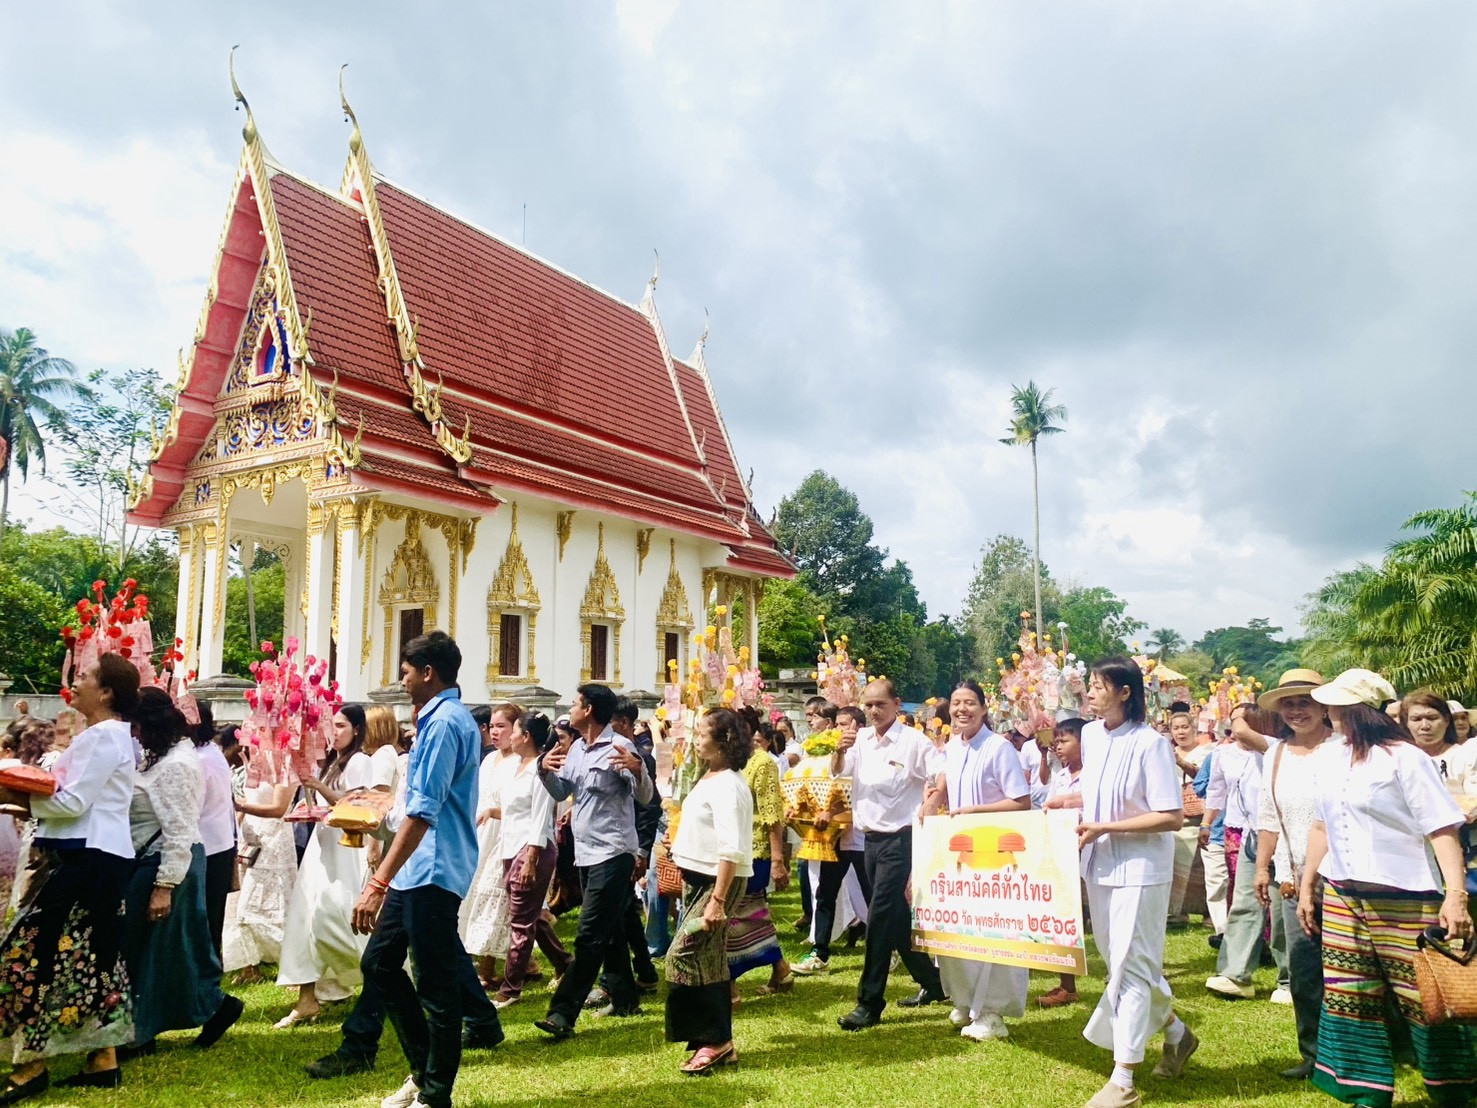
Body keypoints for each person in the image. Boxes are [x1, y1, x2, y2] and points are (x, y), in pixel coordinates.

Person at [1298, 668, 1477, 1107]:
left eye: (1339, 705)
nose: (1330, 712)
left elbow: (1441, 828)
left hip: (1406, 898)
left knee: (1426, 1003)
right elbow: (1321, 825)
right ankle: (1365, 1094)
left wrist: (1455, 896)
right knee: (1348, 997)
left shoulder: (1404, 757)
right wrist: (1308, 884)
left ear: (1361, 709)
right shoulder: (1330, 757)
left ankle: (1454, 1092)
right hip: (1343, 895)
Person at [353, 632, 498, 1108]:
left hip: (434, 866)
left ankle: (436, 1094)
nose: (402, 680)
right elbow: (411, 804)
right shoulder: (433, 720)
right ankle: (422, 1070)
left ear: (428, 673)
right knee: (378, 963)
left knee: (435, 987)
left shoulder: (444, 723)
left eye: (406, 672)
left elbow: (424, 813)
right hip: (416, 866)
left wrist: (377, 882)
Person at [0, 657, 139, 1100]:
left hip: (89, 858)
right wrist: (26, 800)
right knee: (93, 956)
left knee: (30, 951)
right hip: (96, 856)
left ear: (107, 693)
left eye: (84, 678)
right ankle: (103, 1059)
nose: (73, 684)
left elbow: (74, 802)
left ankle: (31, 1064)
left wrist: (17, 794)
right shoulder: (107, 736)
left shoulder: (104, 738)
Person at [1068, 657, 1196, 1108]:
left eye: (1099, 685)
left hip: (1142, 870)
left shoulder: (1151, 744)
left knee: (1133, 969)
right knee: (1121, 963)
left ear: (1125, 692)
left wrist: (1107, 827)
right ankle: (1178, 1035)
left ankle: (1123, 1081)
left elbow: (1171, 816)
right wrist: (1065, 806)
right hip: (1100, 866)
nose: (1090, 692)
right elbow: (1097, 793)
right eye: (1089, 685)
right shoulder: (1090, 735)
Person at [123, 688, 244, 1056]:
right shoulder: (160, 756)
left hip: (170, 863)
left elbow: (179, 828)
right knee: (165, 950)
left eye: (136, 724)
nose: (132, 732)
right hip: (159, 860)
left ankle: (211, 1007)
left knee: (168, 949)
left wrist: (165, 885)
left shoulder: (178, 763)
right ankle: (150, 1027)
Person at [534, 684, 654, 1039]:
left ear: (588, 710)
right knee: (612, 927)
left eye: (574, 704)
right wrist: (543, 770)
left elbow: (646, 797)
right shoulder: (577, 750)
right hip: (585, 852)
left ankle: (562, 1013)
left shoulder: (620, 746)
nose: (570, 709)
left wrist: (639, 770)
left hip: (613, 852)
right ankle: (626, 997)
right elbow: (562, 792)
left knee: (588, 935)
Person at [833, 679, 945, 1030]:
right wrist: (839, 749)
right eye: (867, 705)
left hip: (901, 840)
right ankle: (934, 981)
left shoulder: (913, 742)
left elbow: (941, 773)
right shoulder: (860, 740)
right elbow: (839, 771)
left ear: (897, 704)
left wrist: (932, 801)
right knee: (895, 920)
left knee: (879, 918)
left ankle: (869, 1002)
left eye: (880, 705)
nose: (873, 712)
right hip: (870, 841)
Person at [928, 680, 1031, 1041]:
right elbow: (942, 787)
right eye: (956, 703)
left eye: (970, 703)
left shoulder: (999, 748)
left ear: (984, 709)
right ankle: (965, 998)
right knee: (959, 929)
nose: (962, 710)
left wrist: (975, 811)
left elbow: (1021, 802)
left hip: (997, 856)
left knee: (996, 933)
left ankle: (994, 1013)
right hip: (961, 854)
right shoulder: (953, 747)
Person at [275, 703, 389, 1026]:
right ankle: (306, 997)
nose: (334, 732)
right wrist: (307, 797)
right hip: (322, 845)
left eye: (340, 726)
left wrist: (318, 787)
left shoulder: (359, 762)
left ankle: (378, 979)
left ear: (356, 729)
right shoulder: (334, 763)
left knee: (338, 916)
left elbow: (354, 806)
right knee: (305, 914)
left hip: (346, 848)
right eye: (332, 726)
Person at [1250, 669, 1333, 1082]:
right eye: (1289, 703)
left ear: (1324, 706)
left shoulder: (1342, 749)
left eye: (1305, 701)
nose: (1297, 710)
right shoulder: (1275, 754)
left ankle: (1366, 1053)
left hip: (1340, 877)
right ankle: (1313, 1055)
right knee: (1303, 970)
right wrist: (1263, 866)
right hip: (1291, 876)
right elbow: (1268, 816)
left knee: (1351, 972)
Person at [665, 708, 754, 1074]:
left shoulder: (729, 784)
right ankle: (719, 1043)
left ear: (723, 742)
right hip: (699, 878)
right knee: (710, 959)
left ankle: (711, 1039)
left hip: (719, 883)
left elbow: (731, 848)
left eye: (702, 733)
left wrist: (717, 901)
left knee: (681, 955)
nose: (697, 738)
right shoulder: (709, 776)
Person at [491, 711, 570, 1008]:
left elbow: (541, 816)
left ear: (526, 737)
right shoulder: (514, 766)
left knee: (521, 922)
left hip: (531, 847)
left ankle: (511, 987)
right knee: (530, 915)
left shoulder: (541, 769)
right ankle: (565, 963)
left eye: (513, 731)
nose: (508, 736)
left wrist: (531, 858)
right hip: (512, 847)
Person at [793, 705, 872, 978]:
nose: (840, 730)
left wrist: (835, 811)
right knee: (825, 893)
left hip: (864, 837)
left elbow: (860, 797)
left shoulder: (872, 752)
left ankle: (891, 948)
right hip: (836, 836)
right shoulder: (835, 753)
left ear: (859, 727)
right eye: (837, 724)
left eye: (845, 724)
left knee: (874, 895)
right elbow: (831, 782)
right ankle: (820, 952)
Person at [1201, 701, 1271, 999]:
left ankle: (1282, 968)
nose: (1232, 727)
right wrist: (1207, 824)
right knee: (1241, 896)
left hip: (1270, 830)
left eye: (1238, 721)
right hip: (1237, 829)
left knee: (1275, 899)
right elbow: (1217, 790)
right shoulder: (1222, 754)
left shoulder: (1271, 749)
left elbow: (1248, 734)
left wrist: (1241, 724)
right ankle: (1237, 968)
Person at [726, 712, 792, 1000]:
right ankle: (780, 967)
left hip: (756, 852)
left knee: (735, 916)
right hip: (734, 848)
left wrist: (778, 860)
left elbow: (772, 814)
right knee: (752, 915)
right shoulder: (731, 762)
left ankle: (728, 981)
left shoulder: (762, 762)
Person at [224, 746, 297, 983]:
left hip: (273, 841)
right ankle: (249, 967)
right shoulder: (257, 761)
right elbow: (249, 797)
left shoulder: (287, 764)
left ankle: (292, 969)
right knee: (240, 905)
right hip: (250, 841)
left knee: (270, 904)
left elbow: (278, 808)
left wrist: (240, 807)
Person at [460, 702, 519, 987]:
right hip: (481, 834)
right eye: (492, 727)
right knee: (474, 894)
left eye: (501, 727)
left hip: (505, 835)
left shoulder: (521, 762)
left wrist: (495, 814)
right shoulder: (488, 760)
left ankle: (487, 968)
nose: (494, 732)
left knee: (494, 897)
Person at [1039, 717, 1086, 1008]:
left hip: (1094, 852)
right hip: (1063, 854)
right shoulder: (1059, 776)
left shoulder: (1096, 773)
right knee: (1063, 917)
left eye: (1065, 741)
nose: (1058, 747)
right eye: (1055, 741)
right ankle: (1066, 985)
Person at [195, 707, 236, 963]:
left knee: (205, 918)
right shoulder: (211, 753)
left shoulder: (200, 758)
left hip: (207, 846)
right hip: (218, 842)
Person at [1166, 710, 1208, 927]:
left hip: (1202, 816)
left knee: (1203, 869)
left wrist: (1181, 762)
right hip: (1176, 817)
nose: (1181, 732)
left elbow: (1205, 778)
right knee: (1176, 866)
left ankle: (1208, 912)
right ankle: (1175, 913)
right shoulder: (1167, 753)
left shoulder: (1206, 751)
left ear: (1193, 728)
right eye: (1176, 728)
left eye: (1185, 727)